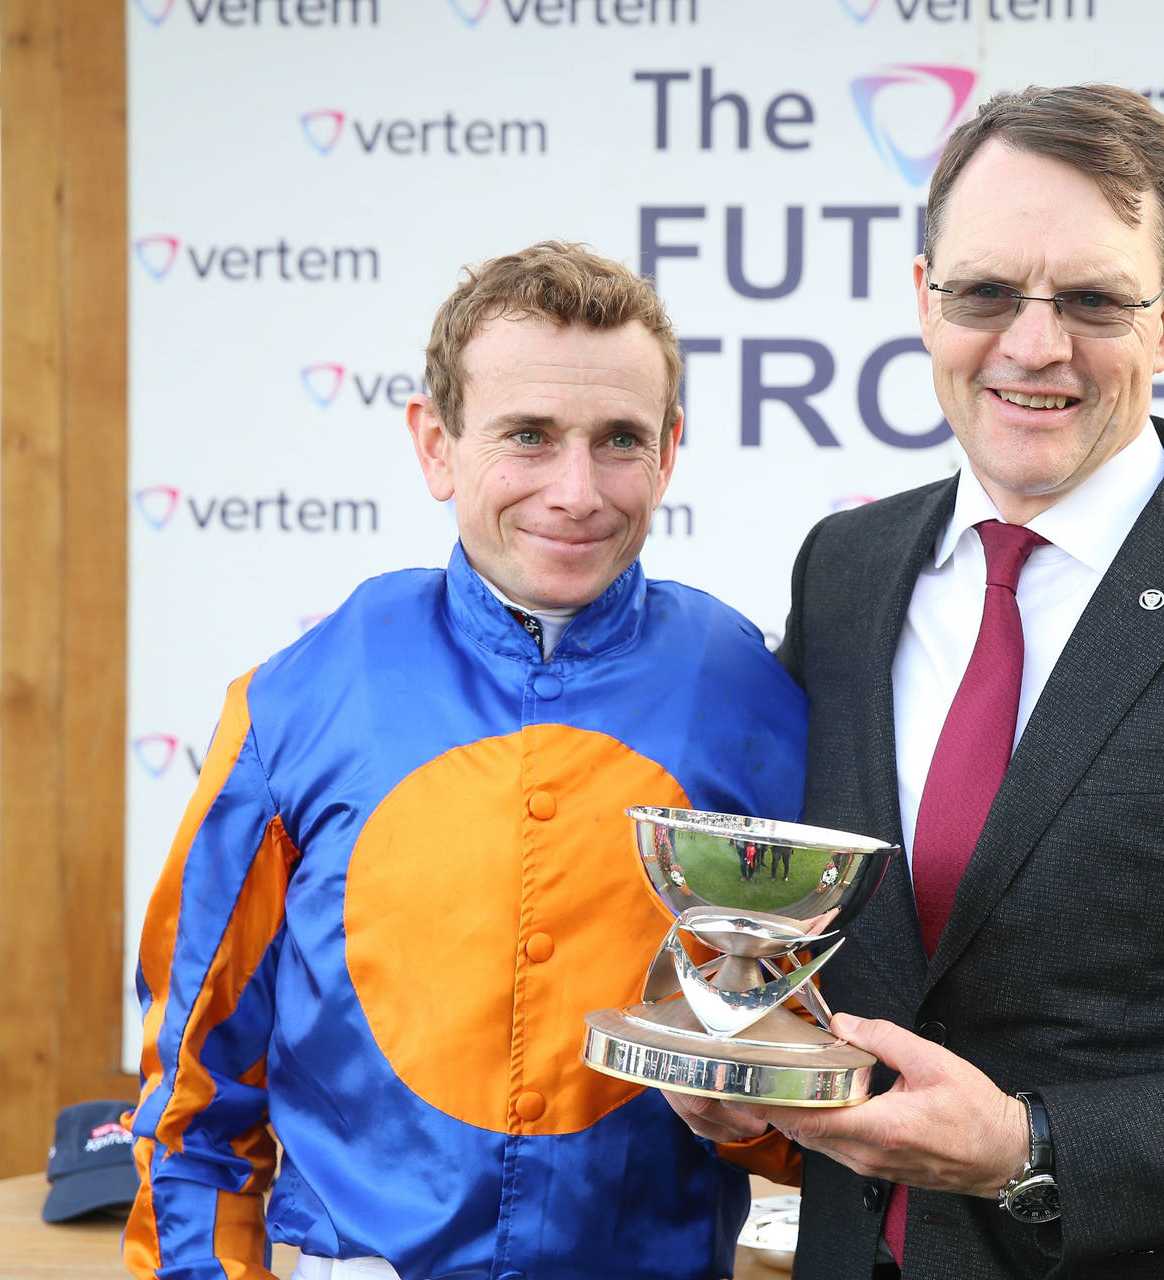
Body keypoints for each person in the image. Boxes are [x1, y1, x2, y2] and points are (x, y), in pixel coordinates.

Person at [665, 84, 1164, 1278]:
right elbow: (818, 924)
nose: (1032, 344)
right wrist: (731, 1057)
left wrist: (1027, 1145)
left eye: (1094, 299)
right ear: (925, 298)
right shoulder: (847, 568)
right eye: (986, 291)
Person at [125, 242, 806, 1280]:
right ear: (436, 444)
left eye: (618, 439)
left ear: (669, 451)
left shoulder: (754, 694)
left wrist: (752, 1117)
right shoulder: (302, 693)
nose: (575, 490)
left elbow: (808, 1073)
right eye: (527, 436)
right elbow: (193, 1090)